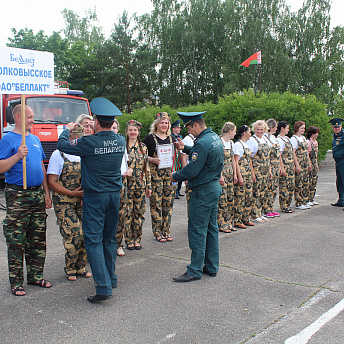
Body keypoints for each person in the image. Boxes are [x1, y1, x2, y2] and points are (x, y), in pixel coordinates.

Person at [57, 97, 125, 303]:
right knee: (109, 239)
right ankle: (110, 278)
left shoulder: (88, 142)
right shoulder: (120, 140)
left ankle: (103, 287)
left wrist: (67, 129)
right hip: (115, 195)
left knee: (93, 241)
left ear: (96, 122)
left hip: (95, 197)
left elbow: (62, 145)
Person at [0, 104, 52, 296]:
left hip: (37, 194)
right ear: (19, 117)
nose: (33, 120)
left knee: (37, 238)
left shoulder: (35, 139)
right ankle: (16, 282)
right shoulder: (8, 140)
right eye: (30, 117)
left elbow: (41, 167)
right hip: (18, 195)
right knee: (16, 239)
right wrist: (17, 156)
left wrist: (47, 192)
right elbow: (1, 167)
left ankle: (36, 276)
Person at [171, 111, 224, 282]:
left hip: (202, 191)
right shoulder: (213, 137)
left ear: (195, 125)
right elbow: (203, 154)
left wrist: (175, 176)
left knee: (197, 230)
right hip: (213, 188)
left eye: (188, 127)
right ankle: (211, 266)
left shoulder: (202, 142)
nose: (188, 131)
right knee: (211, 228)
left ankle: (194, 270)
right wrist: (184, 148)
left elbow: (193, 169)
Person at [47, 124, 91, 281]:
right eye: (75, 135)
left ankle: (81, 267)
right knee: (74, 234)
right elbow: (52, 181)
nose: (77, 138)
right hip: (64, 201)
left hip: (82, 201)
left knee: (86, 234)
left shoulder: (83, 153)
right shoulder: (58, 154)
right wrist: (72, 193)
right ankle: (70, 268)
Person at [143, 112, 176, 242]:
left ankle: (166, 231)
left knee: (168, 203)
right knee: (156, 204)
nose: (164, 125)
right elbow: (142, 155)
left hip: (168, 175)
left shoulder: (172, 139)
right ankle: (157, 232)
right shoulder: (149, 139)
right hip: (155, 175)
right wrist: (152, 159)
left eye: (166, 123)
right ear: (156, 124)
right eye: (162, 122)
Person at [123, 120, 152, 250]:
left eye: (135, 130)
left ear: (138, 132)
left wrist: (149, 185)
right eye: (130, 130)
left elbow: (147, 168)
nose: (133, 132)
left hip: (140, 184)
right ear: (127, 132)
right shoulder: (123, 146)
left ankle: (137, 239)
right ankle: (129, 239)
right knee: (127, 213)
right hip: (127, 185)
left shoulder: (143, 147)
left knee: (139, 213)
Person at [247, 120, 271, 223]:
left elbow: (269, 156)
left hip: (265, 170)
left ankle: (260, 212)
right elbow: (249, 158)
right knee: (256, 192)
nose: (259, 131)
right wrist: (252, 173)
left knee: (263, 192)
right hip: (257, 170)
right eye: (257, 129)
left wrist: (269, 170)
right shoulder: (252, 140)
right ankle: (255, 214)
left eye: (261, 129)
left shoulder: (265, 139)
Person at [233, 125, 256, 229]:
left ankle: (246, 218)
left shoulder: (246, 145)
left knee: (248, 197)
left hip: (248, 174)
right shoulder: (238, 145)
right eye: (249, 132)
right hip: (242, 173)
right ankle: (237, 219)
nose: (250, 134)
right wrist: (239, 176)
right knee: (240, 198)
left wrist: (252, 173)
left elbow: (250, 161)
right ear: (244, 133)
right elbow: (236, 162)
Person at [217, 122, 237, 233]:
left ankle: (229, 222)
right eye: (234, 131)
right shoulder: (220, 143)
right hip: (222, 174)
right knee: (222, 200)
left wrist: (234, 174)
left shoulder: (231, 143)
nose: (235, 133)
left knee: (230, 198)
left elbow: (233, 159)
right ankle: (221, 223)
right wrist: (220, 176)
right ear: (230, 131)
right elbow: (218, 161)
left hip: (230, 174)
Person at [291, 121, 312, 210]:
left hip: (305, 162)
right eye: (302, 128)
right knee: (298, 182)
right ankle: (298, 202)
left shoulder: (303, 138)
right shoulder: (294, 139)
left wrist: (309, 163)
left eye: (304, 128)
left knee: (305, 182)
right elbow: (293, 153)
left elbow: (307, 152)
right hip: (299, 161)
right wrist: (297, 165)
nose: (303, 130)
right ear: (297, 128)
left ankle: (305, 200)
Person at [262, 119, 281, 218]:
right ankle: (265, 209)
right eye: (275, 126)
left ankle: (271, 207)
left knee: (274, 188)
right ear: (271, 127)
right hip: (270, 165)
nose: (276, 128)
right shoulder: (264, 138)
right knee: (268, 188)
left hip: (276, 165)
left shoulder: (273, 137)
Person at [277, 121, 295, 213]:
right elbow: (279, 155)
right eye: (287, 128)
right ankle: (284, 205)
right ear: (282, 128)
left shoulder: (287, 138)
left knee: (291, 186)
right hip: (285, 165)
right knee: (284, 186)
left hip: (290, 165)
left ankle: (288, 204)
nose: (288, 130)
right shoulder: (279, 140)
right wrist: (282, 167)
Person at [329, 118, 344, 207]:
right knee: (339, 182)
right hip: (338, 162)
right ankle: (341, 200)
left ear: (341, 126)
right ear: (332, 127)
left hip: (343, 161)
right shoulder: (335, 136)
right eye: (335, 127)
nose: (337, 128)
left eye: (338, 126)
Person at [306, 126, 320, 206]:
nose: (316, 135)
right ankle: (308, 198)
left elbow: (316, 155)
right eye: (315, 133)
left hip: (315, 162)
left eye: (317, 133)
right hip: (310, 162)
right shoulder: (309, 142)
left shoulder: (316, 142)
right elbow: (308, 154)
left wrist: (317, 164)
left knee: (314, 181)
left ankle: (312, 198)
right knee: (309, 181)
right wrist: (309, 164)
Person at [171, 119, 184, 199]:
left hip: (179, 156)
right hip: (173, 157)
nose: (179, 129)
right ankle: (174, 191)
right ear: (173, 128)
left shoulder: (180, 137)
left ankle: (178, 190)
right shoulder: (171, 137)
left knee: (181, 173)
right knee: (174, 172)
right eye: (178, 128)